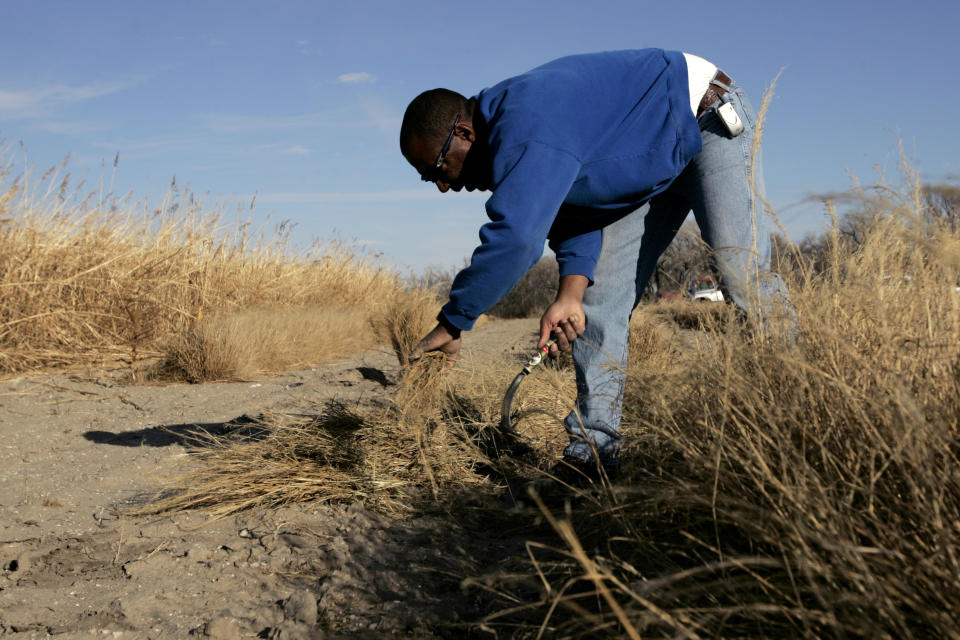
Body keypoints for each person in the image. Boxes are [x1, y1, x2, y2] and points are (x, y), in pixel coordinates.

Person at [400, 49, 789, 469]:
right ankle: (593, 456)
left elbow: (517, 239)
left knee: (741, 274)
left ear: (463, 133)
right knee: (596, 301)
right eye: (429, 179)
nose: (442, 186)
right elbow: (579, 210)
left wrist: (454, 321)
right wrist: (570, 292)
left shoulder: (524, 123)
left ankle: (791, 423)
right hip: (652, 161)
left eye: (438, 168)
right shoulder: (517, 142)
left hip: (705, 118)